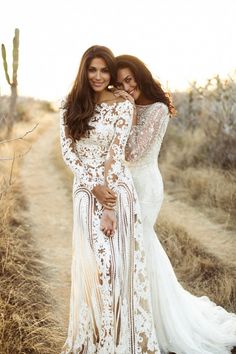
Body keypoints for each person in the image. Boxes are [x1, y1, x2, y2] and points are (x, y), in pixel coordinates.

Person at [114, 54, 236, 353]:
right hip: (125, 186)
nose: (127, 87)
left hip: (146, 186)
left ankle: (156, 322)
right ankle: (134, 317)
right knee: (130, 250)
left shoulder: (155, 110)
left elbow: (132, 152)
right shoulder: (124, 106)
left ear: (141, 76)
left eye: (130, 80)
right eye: (121, 83)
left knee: (140, 246)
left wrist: (125, 111)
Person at [59, 46, 162, 353]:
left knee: (116, 268)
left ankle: (120, 339)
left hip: (117, 191)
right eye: (93, 70)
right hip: (85, 191)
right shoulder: (69, 104)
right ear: (84, 71)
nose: (99, 77)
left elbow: (116, 155)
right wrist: (92, 187)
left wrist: (109, 204)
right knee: (95, 268)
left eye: (105, 71)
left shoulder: (121, 106)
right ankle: (94, 335)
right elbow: (68, 152)